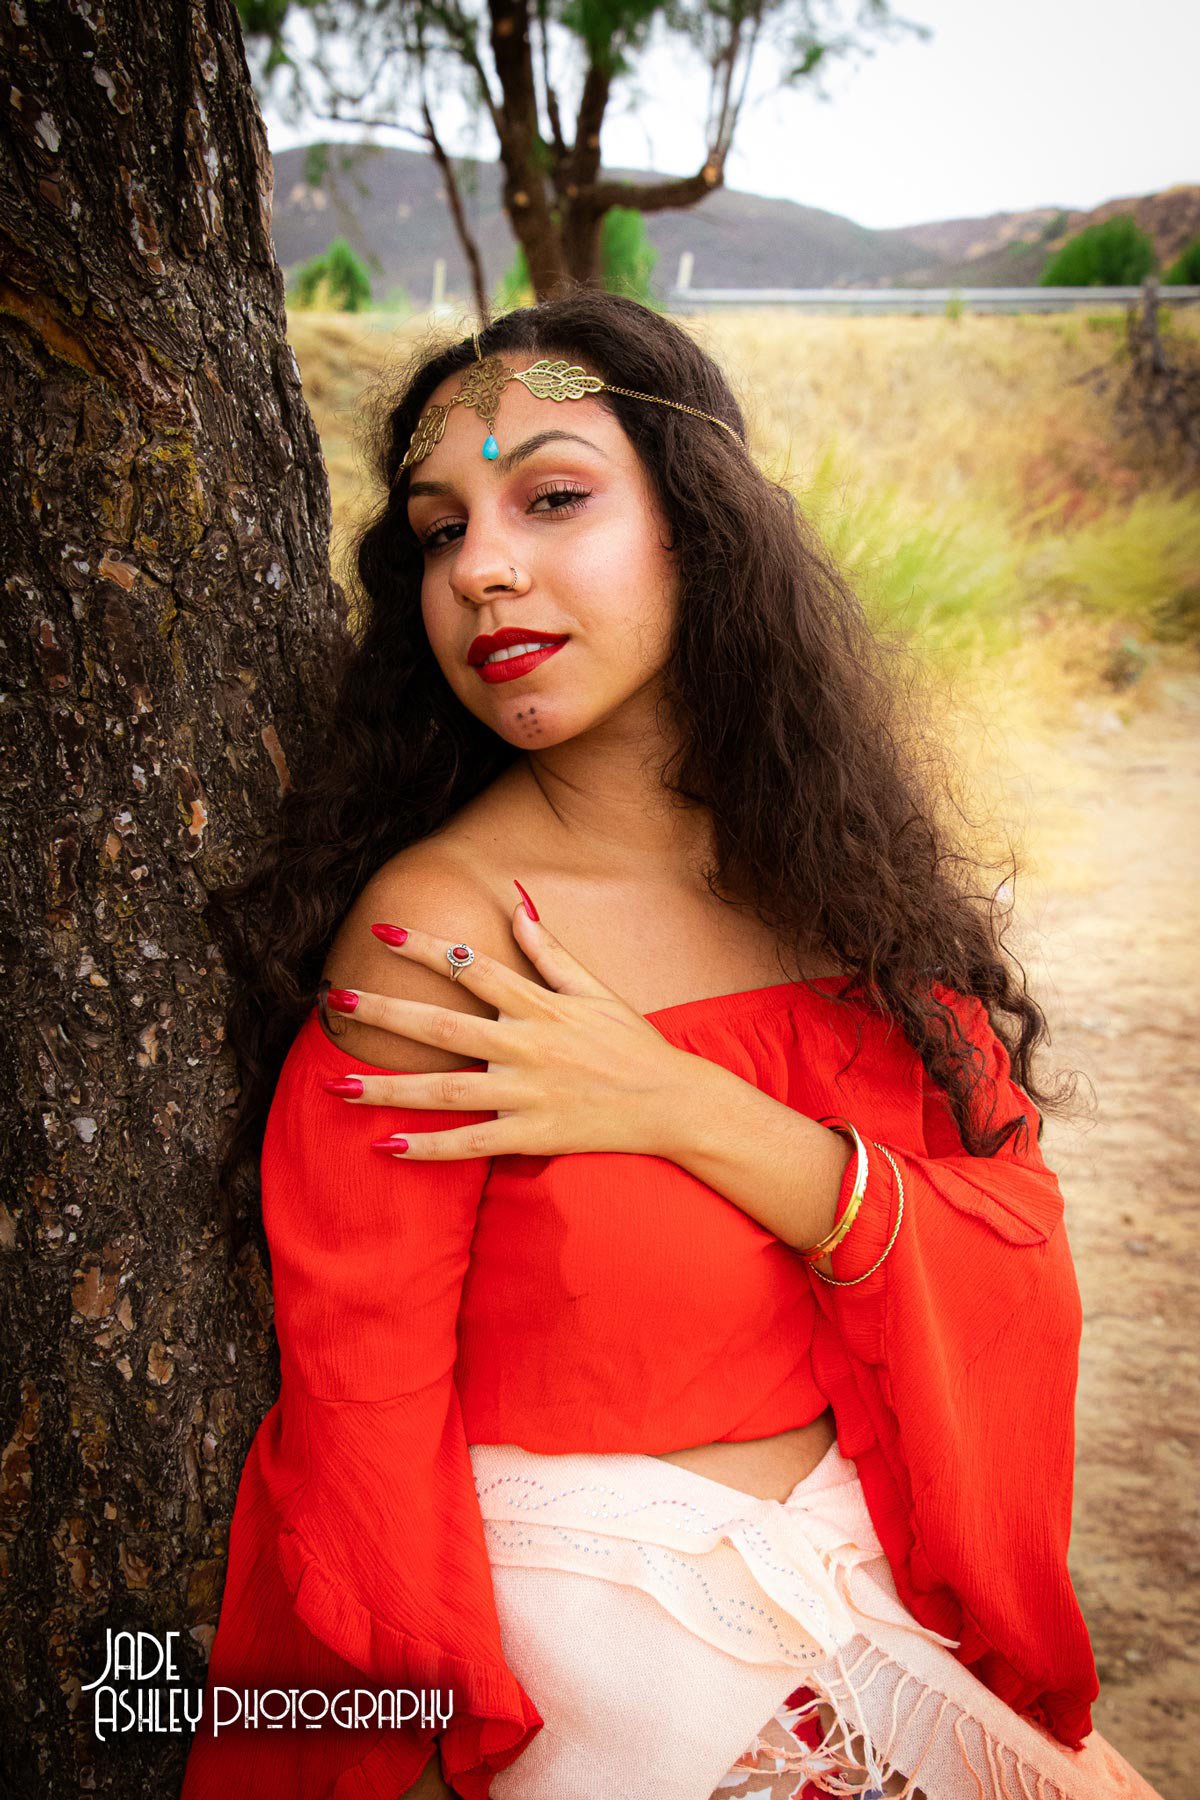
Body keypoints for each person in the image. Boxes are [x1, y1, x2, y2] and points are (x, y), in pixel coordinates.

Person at [181, 293, 1161, 1800]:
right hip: (606, 1655)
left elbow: (1008, 1242)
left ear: (699, 526)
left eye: (553, 496)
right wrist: (430, 1739)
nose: (484, 570)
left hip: (874, 1595)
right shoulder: (447, 936)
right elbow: (362, 1411)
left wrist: (680, 1105)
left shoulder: (842, 884)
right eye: (439, 532)